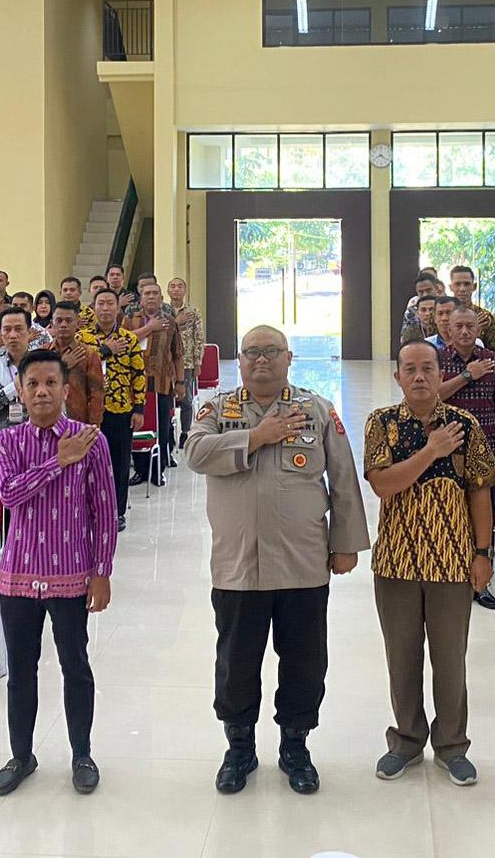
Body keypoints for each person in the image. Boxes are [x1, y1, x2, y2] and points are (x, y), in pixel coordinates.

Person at [185, 325, 369, 796]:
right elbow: (195, 452)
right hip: (238, 565)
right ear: (240, 361)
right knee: (236, 662)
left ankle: (295, 744)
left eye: (270, 352)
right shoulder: (216, 409)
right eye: (251, 353)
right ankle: (239, 747)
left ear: (289, 358)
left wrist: (345, 543)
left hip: (302, 564)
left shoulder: (316, 409)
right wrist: (255, 437)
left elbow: (344, 479)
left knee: (305, 661)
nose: (260, 361)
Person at [364, 339, 495, 788]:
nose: (419, 376)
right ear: (397, 376)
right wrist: (431, 452)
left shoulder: (465, 424)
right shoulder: (381, 424)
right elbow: (384, 484)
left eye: (427, 368)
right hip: (396, 563)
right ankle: (405, 741)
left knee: (451, 660)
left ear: (441, 374)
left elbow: (480, 489)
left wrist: (483, 554)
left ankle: (452, 745)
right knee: (401, 659)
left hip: (453, 562)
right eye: (410, 369)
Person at [0, 348, 117, 797]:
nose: (42, 391)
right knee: (21, 669)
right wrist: (57, 460)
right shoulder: (5, 441)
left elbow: (104, 510)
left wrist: (101, 572)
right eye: (33, 384)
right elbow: (8, 495)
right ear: (20, 391)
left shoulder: (92, 440)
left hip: (70, 574)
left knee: (75, 665)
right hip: (18, 575)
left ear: (65, 389)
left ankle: (81, 753)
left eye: (50, 383)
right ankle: (21, 755)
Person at [437, 305, 495, 611]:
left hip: (488, 453)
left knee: (484, 518)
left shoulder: (493, 361)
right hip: (448, 453)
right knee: (450, 518)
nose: (465, 332)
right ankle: (452, 579)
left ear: (478, 330)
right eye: (459, 327)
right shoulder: (438, 360)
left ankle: (481, 583)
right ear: (450, 331)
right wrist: (468, 375)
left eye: (470, 326)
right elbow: (432, 396)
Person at [78, 289, 145, 530]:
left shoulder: (130, 339)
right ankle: (90, 511)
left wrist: (139, 408)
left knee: (119, 462)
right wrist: (105, 350)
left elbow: (138, 374)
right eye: (101, 303)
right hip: (88, 411)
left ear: (118, 308)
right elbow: (78, 361)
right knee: (88, 464)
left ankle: (117, 512)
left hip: (120, 409)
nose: (105, 308)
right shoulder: (82, 338)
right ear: (93, 307)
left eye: (110, 304)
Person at [127, 281, 183, 486]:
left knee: (161, 428)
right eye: (147, 293)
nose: (151, 296)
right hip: (134, 385)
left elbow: (178, 354)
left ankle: (157, 471)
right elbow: (124, 342)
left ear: (161, 298)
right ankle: (141, 471)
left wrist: (180, 381)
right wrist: (149, 328)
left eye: (155, 293)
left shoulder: (170, 322)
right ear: (141, 298)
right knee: (137, 427)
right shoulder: (129, 320)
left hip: (162, 383)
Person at [0, 307, 33, 433]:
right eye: (7, 330)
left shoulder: (43, 366)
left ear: (29, 332)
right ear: (1, 334)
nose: (13, 335)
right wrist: (13, 387)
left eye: (19, 329)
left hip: (36, 443)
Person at [49, 301, 104, 425]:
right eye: (59, 321)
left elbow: (96, 394)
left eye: (69, 321)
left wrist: (94, 427)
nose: (63, 325)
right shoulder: (42, 353)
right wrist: (62, 366)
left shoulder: (89, 355)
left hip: (78, 423)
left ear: (77, 323)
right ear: (52, 324)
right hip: (46, 423)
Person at [167, 277, 205, 449]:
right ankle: (167, 432)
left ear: (185, 290)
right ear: (168, 291)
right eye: (172, 286)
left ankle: (185, 433)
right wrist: (177, 321)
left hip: (187, 362)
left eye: (179, 286)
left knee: (187, 400)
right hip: (166, 363)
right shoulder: (163, 311)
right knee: (166, 398)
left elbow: (199, 337)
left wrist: (198, 361)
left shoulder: (193, 311)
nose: (176, 289)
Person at [447, 266, 495, 351]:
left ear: (474, 286)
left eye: (467, 284)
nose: (462, 289)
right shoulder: (444, 315)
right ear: (450, 287)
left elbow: (494, 351)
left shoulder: (485, 317)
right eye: (457, 284)